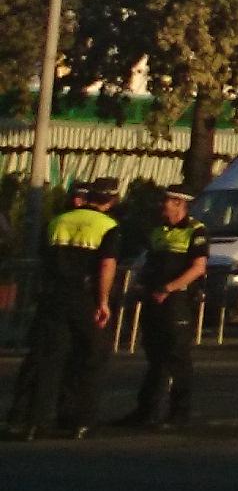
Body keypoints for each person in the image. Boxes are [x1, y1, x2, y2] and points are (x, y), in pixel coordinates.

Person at [8, 179, 122, 441]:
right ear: (112, 201)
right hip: (86, 299)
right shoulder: (109, 226)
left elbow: (44, 260)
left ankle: (36, 422)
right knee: (90, 359)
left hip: (54, 298)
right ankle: (80, 421)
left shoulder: (58, 221)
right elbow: (106, 267)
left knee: (49, 360)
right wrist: (103, 302)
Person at [113, 186, 213, 430]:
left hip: (177, 302)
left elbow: (198, 268)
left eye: (167, 201)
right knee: (155, 358)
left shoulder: (195, 230)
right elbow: (149, 262)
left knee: (178, 358)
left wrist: (169, 288)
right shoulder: (158, 231)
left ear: (180, 204)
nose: (162, 205)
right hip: (153, 300)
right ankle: (146, 411)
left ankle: (179, 414)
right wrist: (141, 286)